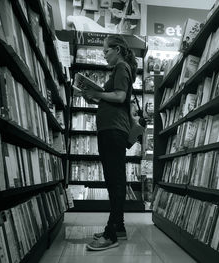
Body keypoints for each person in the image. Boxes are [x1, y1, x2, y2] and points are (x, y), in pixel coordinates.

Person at [81, 35, 137, 251]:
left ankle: (111, 233)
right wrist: (94, 97)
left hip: (114, 129)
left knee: (115, 180)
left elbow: (120, 96)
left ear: (118, 50)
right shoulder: (120, 68)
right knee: (115, 178)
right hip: (110, 128)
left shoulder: (122, 67)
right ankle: (119, 227)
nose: (104, 55)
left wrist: (98, 93)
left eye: (106, 51)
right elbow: (112, 97)